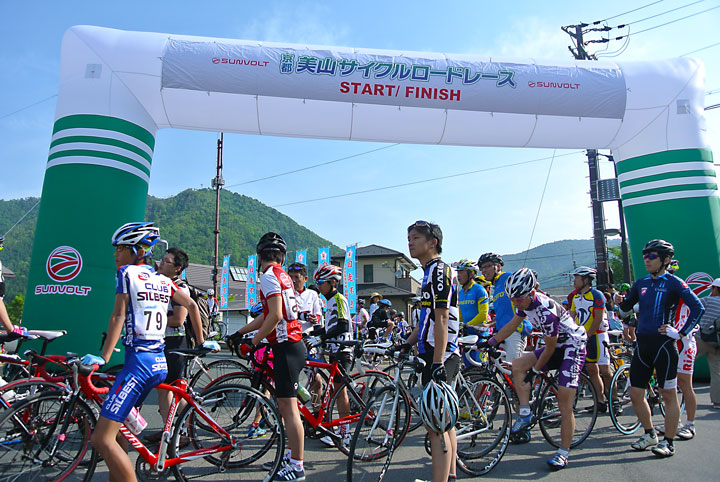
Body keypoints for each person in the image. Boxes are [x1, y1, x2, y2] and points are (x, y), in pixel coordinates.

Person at [81, 222, 215, 482]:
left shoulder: (127, 273)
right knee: (119, 433)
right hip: (158, 364)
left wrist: (104, 357)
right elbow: (192, 305)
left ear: (136, 251)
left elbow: (118, 314)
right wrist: (202, 340)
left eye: (120, 248)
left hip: (138, 366)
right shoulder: (163, 280)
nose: (115, 254)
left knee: (100, 438)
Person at [481, 268, 587, 470]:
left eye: (518, 299)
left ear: (530, 293)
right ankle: (525, 413)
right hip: (555, 344)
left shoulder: (544, 311)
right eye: (512, 298)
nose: (515, 302)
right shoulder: (524, 301)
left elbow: (548, 348)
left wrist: (536, 371)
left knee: (564, 401)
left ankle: (563, 453)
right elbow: (513, 324)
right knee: (519, 365)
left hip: (573, 345)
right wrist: (492, 341)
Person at [228, 232, 307, 481]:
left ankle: (297, 466)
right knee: (285, 407)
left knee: (289, 408)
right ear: (281, 257)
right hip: (290, 345)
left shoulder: (268, 276)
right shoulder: (281, 275)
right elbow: (268, 314)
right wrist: (241, 331)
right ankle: (290, 456)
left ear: (259, 255)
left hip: (286, 346)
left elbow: (274, 317)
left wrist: (253, 342)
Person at [615, 239, 704, 457]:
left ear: (666, 260)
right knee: (636, 393)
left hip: (664, 345)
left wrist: (681, 332)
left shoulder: (674, 282)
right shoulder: (641, 283)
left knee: (668, 395)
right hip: (642, 345)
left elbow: (697, 307)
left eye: (652, 256)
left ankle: (669, 442)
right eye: (645, 255)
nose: (646, 259)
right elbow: (625, 310)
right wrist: (620, 302)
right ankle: (649, 433)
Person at [402, 220, 460, 482]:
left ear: (432, 242)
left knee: (435, 423)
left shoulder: (440, 271)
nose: (410, 242)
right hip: (432, 351)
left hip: (441, 354)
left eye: (415, 237)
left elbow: (442, 318)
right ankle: (450, 474)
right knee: (444, 421)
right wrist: (406, 342)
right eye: (408, 238)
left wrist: (437, 361)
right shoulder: (427, 272)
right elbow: (425, 319)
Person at [145, 247, 193, 445]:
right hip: (163, 341)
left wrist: (151, 319)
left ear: (178, 268)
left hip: (176, 342)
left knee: (172, 389)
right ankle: (169, 431)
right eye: (162, 260)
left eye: (167, 261)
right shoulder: (162, 283)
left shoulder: (179, 287)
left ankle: (183, 432)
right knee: (163, 389)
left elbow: (179, 319)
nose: (161, 264)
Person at [307, 264, 354, 449]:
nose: (318, 286)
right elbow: (331, 327)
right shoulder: (329, 302)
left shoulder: (339, 299)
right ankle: (338, 429)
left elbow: (342, 325)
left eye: (321, 282)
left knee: (339, 391)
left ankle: (346, 433)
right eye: (317, 283)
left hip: (343, 351)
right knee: (334, 389)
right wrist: (314, 334)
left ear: (333, 282)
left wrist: (321, 337)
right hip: (336, 350)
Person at [568, 267, 615, 413]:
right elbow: (571, 316)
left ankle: (615, 400)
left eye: (577, 278)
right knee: (591, 369)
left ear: (586, 280)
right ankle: (600, 401)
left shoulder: (597, 295)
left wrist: (588, 335)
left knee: (605, 371)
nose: (574, 280)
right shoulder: (576, 297)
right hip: (584, 337)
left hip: (598, 335)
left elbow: (598, 318)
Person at [665, 259, 700, 439]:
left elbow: (696, 312)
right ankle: (674, 422)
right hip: (669, 342)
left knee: (685, 384)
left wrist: (682, 332)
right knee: (669, 386)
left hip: (684, 342)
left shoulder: (681, 289)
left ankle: (690, 424)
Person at [478, 253, 532, 362]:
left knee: (514, 369)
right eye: (482, 268)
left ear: (498, 266)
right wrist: (487, 325)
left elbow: (532, 283)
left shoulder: (507, 277)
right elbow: (503, 315)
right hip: (502, 333)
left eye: (487, 266)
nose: (483, 270)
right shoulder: (496, 286)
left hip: (516, 331)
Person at [454, 259, 489, 365]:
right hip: (467, 335)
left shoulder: (479, 290)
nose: (458, 275)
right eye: (457, 272)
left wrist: (467, 325)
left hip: (480, 335)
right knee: (468, 368)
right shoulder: (460, 292)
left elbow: (483, 314)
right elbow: (460, 314)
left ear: (471, 274)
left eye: (461, 272)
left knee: (479, 369)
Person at [696, 278, 720, 410]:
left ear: (715, 289)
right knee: (717, 371)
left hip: (702, 339)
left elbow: (692, 305)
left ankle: (670, 387)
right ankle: (717, 401)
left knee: (683, 364)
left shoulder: (707, 300)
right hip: (718, 342)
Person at [287, 263, 323, 334]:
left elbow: (318, 314)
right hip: (290, 335)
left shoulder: (312, 294)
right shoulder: (285, 294)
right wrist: (304, 316)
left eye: (297, 277)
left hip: (307, 334)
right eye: (291, 277)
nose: (293, 280)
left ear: (305, 279)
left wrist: (315, 319)